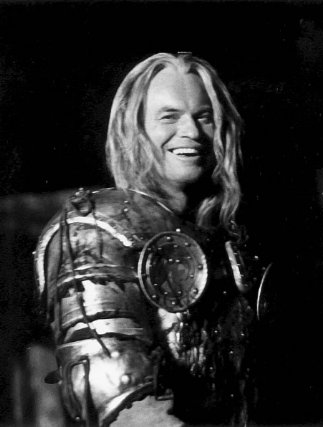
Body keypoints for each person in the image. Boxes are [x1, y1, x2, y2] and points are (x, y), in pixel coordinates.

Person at [34, 52, 260, 426]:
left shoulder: (221, 236)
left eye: (204, 116)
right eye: (169, 117)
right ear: (133, 128)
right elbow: (118, 396)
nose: (192, 132)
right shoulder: (96, 229)